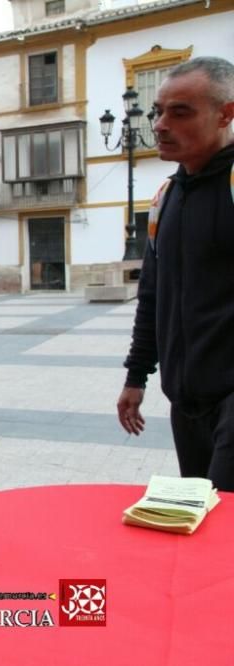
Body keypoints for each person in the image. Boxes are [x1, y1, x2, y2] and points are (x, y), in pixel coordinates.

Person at [117, 57, 234, 491]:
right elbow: (152, 297)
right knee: (202, 524)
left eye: (180, 112)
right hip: (186, 401)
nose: (161, 124)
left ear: (226, 114)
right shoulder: (166, 198)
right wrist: (136, 376)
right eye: (158, 111)